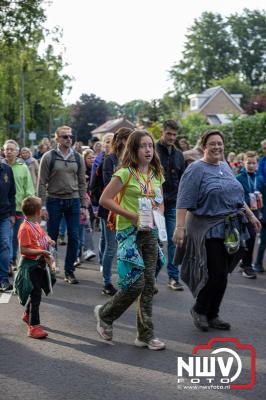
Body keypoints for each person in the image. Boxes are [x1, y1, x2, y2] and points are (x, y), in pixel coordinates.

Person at [174, 129, 261, 332]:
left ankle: (213, 314)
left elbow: (237, 196)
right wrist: (179, 228)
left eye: (220, 143)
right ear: (204, 146)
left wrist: (250, 215)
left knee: (222, 274)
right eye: (212, 143)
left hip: (228, 228)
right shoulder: (196, 169)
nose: (217, 147)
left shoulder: (225, 166)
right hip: (205, 228)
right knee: (215, 272)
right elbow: (183, 200)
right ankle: (200, 309)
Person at [94, 129, 166, 350]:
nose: (148, 150)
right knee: (136, 284)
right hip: (128, 233)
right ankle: (105, 314)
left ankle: (145, 335)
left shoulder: (155, 174)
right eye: (143, 146)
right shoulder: (124, 173)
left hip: (150, 233)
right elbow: (105, 199)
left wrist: (158, 214)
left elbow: (160, 200)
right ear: (134, 149)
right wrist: (131, 215)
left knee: (149, 285)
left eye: (150, 146)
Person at [37, 126, 87, 284]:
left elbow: (82, 182)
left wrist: (84, 206)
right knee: (51, 238)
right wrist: (42, 206)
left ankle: (69, 271)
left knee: (75, 237)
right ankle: (51, 268)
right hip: (54, 201)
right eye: (64, 136)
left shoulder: (78, 157)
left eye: (70, 136)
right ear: (57, 138)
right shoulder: (48, 156)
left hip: (73, 201)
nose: (68, 139)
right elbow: (41, 182)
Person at [14, 196, 55, 339]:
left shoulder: (36, 225)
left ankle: (27, 314)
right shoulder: (25, 228)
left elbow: (43, 237)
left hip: (39, 264)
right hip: (29, 266)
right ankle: (34, 326)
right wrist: (41, 251)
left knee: (38, 291)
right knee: (36, 294)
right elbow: (24, 250)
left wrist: (49, 240)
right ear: (38, 212)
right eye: (41, 209)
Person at [100, 127, 133, 295]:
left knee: (125, 248)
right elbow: (108, 185)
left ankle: (127, 280)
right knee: (111, 248)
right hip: (110, 211)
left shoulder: (131, 159)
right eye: (129, 139)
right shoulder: (110, 159)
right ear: (120, 141)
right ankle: (106, 282)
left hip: (127, 210)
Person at [155, 120, 185, 291]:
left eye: (174, 134)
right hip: (156, 205)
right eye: (169, 134)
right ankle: (151, 279)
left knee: (174, 241)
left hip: (174, 203)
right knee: (157, 242)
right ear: (162, 132)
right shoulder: (152, 151)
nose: (172, 137)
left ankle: (173, 278)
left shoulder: (179, 155)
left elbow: (183, 180)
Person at [3, 140, 35, 269]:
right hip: (4, 209)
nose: (9, 151)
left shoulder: (23, 167)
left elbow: (29, 188)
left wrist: (29, 205)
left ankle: (13, 259)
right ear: (3, 151)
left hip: (19, 208)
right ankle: (8, 262)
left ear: (17, 152)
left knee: (16, 237)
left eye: (12, 149)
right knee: (6, 238)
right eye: (7, 149)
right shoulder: (1, 167)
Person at [236, 151, 263, 279]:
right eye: (249, 163)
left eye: (254, 163)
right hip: (243, 213)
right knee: (249, 238)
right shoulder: (239, 178)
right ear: (243, 163)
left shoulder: (259, 178)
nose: (251, 165)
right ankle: (247, 267)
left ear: (257, 164)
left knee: (251, 238)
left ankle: (243, 262)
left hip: (256, 212)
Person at [0, 158, 16, 292]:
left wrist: (12, 214)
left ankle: (3, 279)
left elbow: (12, 194)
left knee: (5, 244)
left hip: (4, 215)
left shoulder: (7, 170)